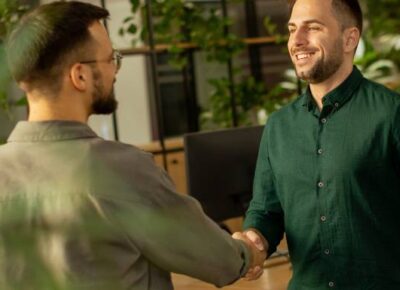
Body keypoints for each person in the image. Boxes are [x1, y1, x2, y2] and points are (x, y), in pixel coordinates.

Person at [0, 2, 264, 289]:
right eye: (111, 58)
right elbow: (220, 261)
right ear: (80, 76)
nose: (115, 70)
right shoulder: (121, 170)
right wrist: (247, 252)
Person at [236, 0, 400, 289]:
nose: (297, 41)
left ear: (350, 39)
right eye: (292, 29)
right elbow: (266, 213)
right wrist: (254, 242)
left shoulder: (395, 116)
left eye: (312, 28)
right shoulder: (278, 127)